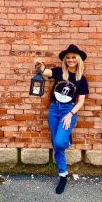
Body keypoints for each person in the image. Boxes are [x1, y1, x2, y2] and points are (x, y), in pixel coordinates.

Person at [35, 44, 89, 194]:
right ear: (65, 60)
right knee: (56, 144)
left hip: (68, 111)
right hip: (54, 110)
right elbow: (44, 71)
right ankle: (63, 175)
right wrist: (39, 65)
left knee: (59, 142)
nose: (70, 60)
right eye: (68, 58)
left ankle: (66, 138)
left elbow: (81, 102)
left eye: (73, 57)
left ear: (78, 60)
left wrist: (70, 114)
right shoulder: (59, 72)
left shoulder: (81, 79)